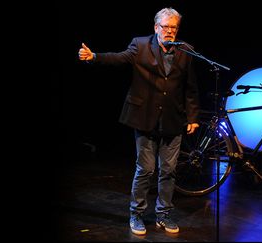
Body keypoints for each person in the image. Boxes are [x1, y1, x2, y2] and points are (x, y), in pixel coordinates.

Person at [78, 7, 200, 235]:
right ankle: (136, 214)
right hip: (145, 118)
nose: (170, 31)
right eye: (166, 27)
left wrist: (193, 117)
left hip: (173, 120)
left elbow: (191, 87)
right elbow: (118, 58)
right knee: (145, 169)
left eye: (174, 27)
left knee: (169, 170)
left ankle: (164, 215)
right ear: (156, 28)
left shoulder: (187, 51)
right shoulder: (141, 45)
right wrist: (94, 57)